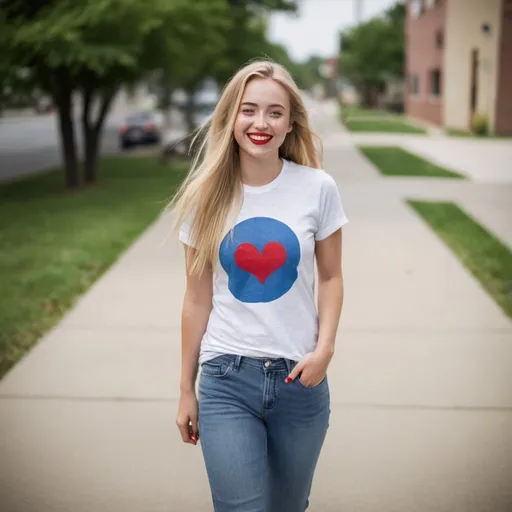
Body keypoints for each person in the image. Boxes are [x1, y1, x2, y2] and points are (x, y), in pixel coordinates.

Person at [170, 59, 348, 512]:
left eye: (274, 112)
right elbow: (196, 300)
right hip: (226, 377)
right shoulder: (204, 197)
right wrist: (186, 388)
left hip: (299, 380)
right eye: (248, 110)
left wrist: (324, 349)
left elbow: (330, 277)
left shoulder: (318, 188)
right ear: (231, 117)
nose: (260, 123)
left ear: (291, 123)